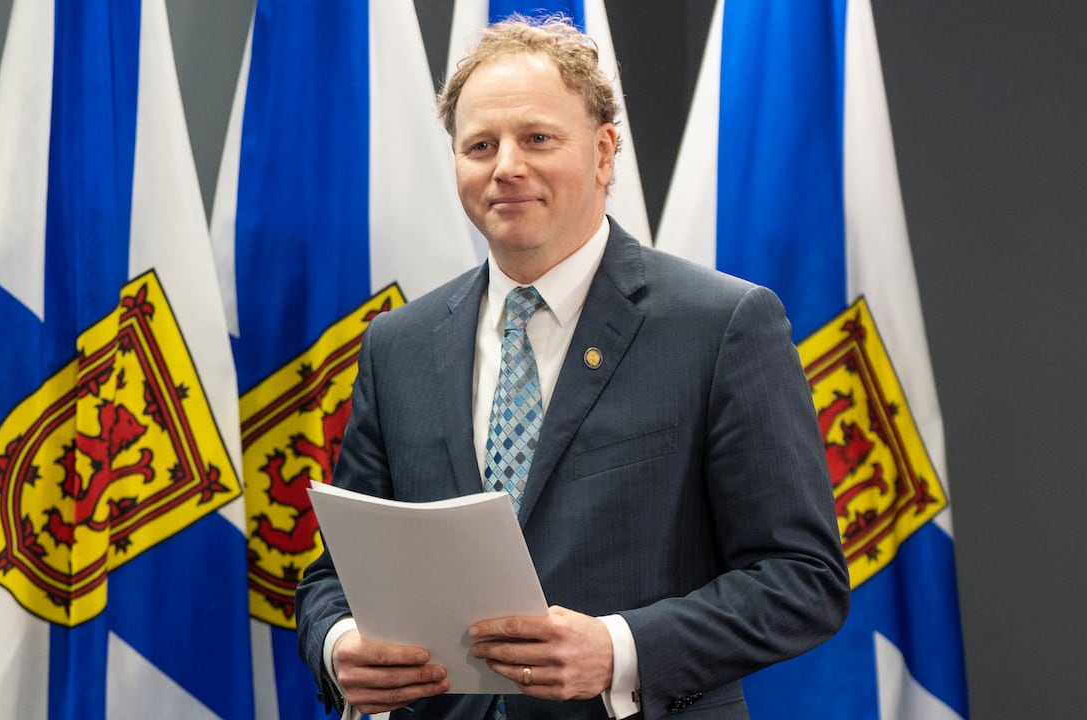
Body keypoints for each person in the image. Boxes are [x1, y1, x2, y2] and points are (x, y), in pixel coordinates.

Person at [296, 15, 849, 719]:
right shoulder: (397, 345)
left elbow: (804, 580)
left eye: (537, 139)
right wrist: (339, 643)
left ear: (603, 152)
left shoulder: (721, 325)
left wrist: (619, 650)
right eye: (480, 145)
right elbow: (333, 576)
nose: (506, 167)